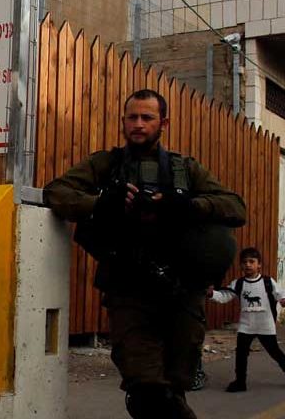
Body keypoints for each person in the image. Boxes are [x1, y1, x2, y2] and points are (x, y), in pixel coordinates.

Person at [45, 89, 247, 418]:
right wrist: (102, 203)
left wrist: (185, 205)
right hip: (129, 292)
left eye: (147, 117)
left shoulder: (185, 169)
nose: (138, 124)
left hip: (181, 295)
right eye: (132, 117)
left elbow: (236, 208)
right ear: (123, 121)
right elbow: (56, 192)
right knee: (146, 390)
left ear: (163, 122)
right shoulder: (106, 164)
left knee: (173, 390)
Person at [209, 247, 285, 392]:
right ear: (241, 265)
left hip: (265, 325)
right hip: (246, 326)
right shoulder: (238, 284)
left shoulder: (267, 282)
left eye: (252, 261)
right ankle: (240, 382)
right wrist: (211, 294)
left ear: (259, 265)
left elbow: (280, 292)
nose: (248, 265)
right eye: (244, 262)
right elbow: (224, 296)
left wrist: (284, 299)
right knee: (241, 354)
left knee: (275, 352)